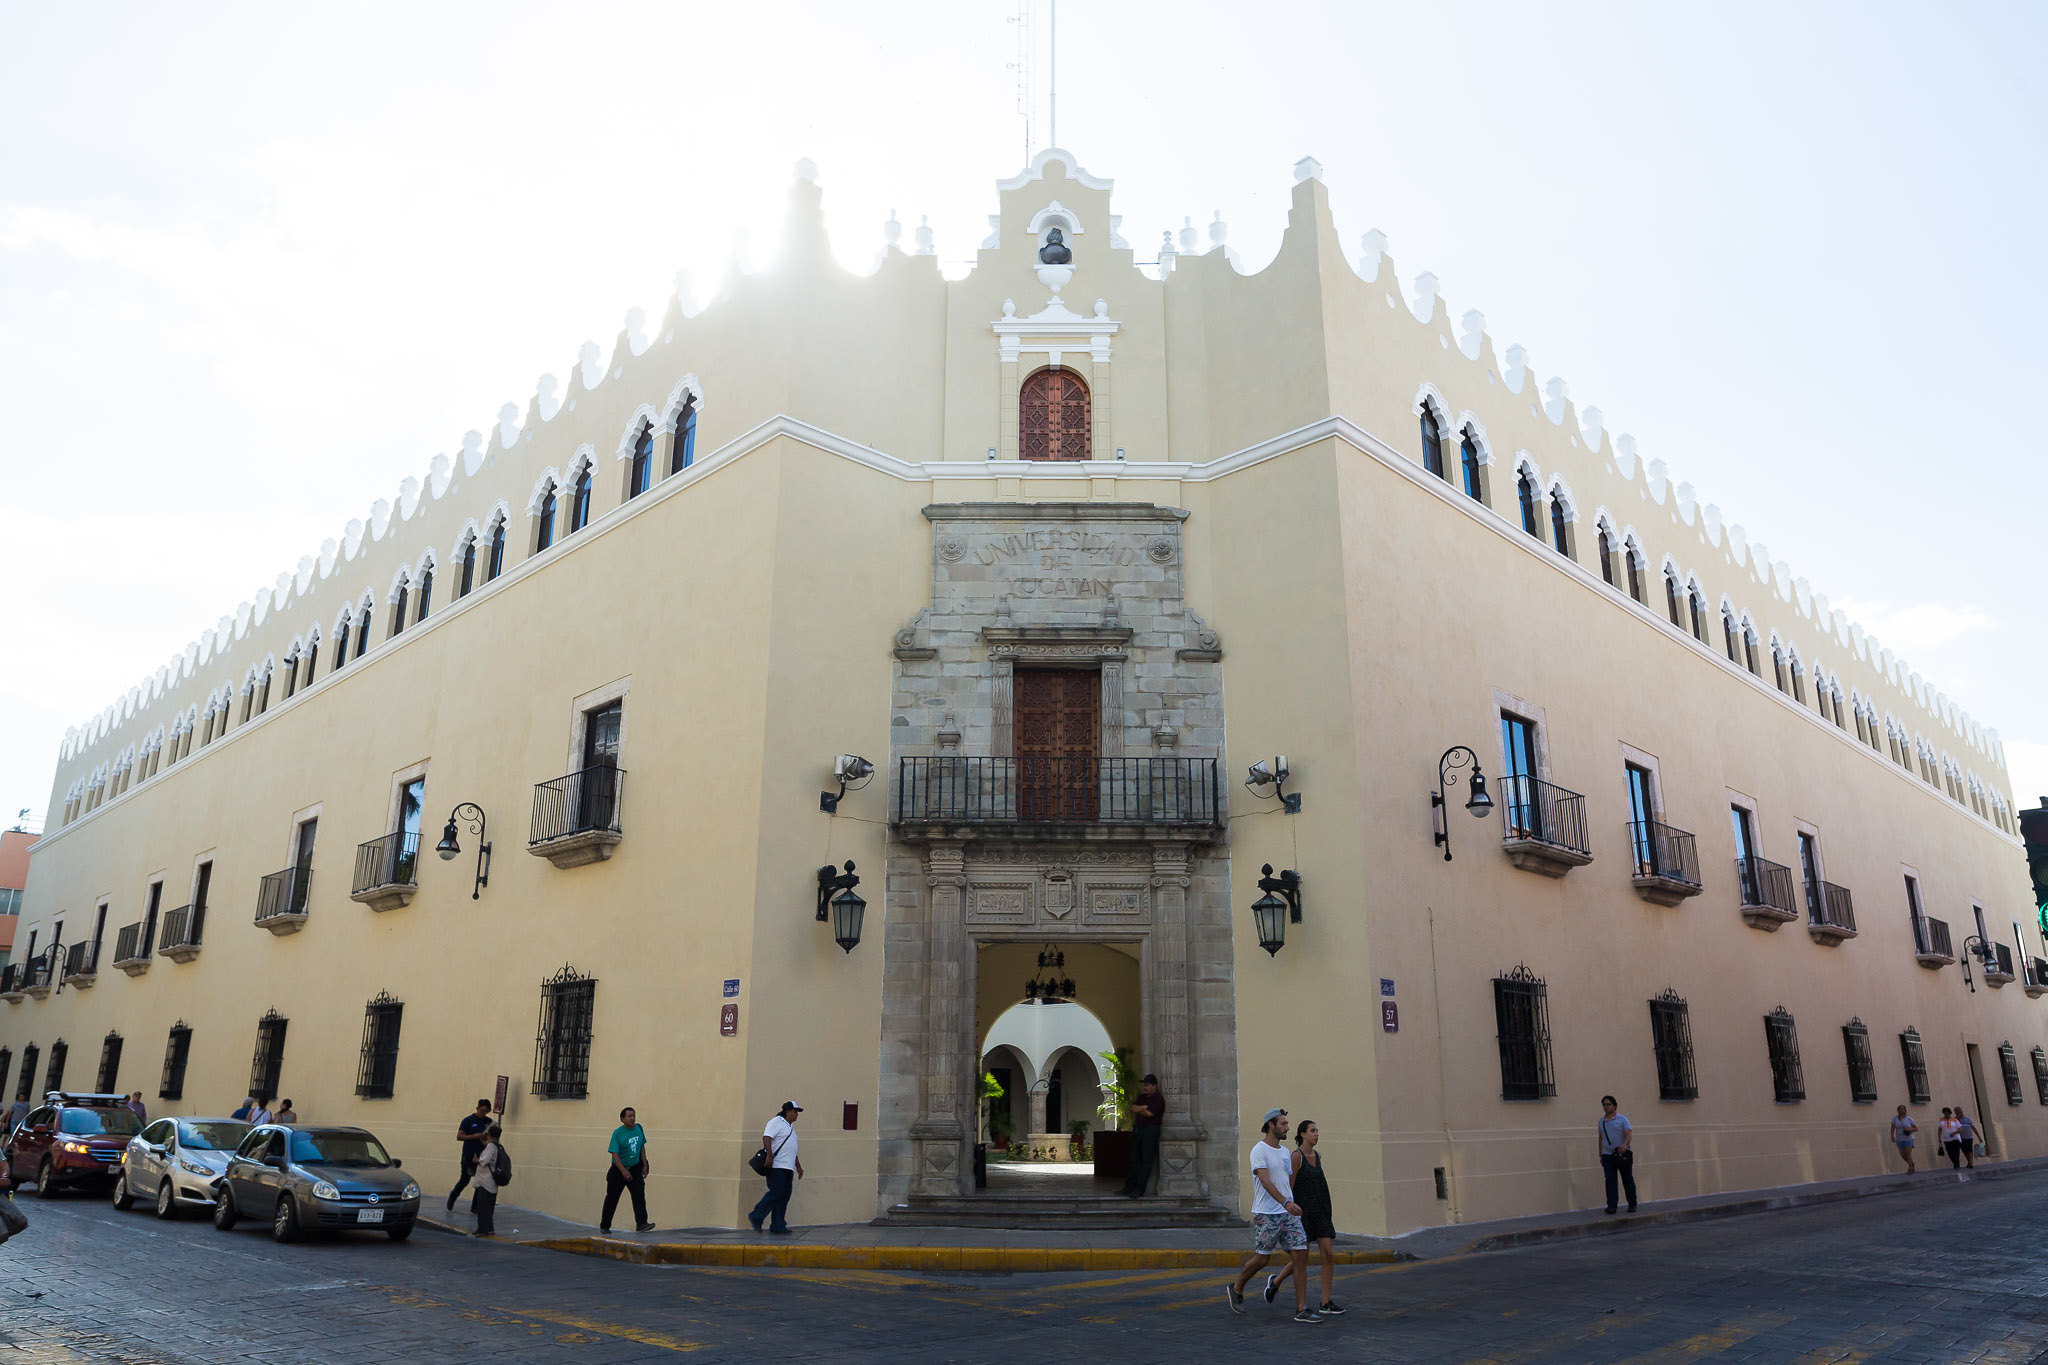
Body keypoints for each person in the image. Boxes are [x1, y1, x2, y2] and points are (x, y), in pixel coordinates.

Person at [1227, 1107, 1318, 1324]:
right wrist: (1286, 1203)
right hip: (1267, 1213)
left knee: (1301, 1255)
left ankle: (1301, 1309)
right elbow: (1266, 1181)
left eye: (1287, 1124)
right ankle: (1237, 1288)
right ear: (1271, 1125)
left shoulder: (1285, 1152)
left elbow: (1285, 1183)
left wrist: (1292, 1204)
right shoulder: (1259, 1150)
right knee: (1262, 1258)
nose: (1287, 1127)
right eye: (1283, 1124)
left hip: (1288, 1214)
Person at [1264, 1118, 1344, 1316]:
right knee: (1302, 1258)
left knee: (1328, 1255)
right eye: (1313, 1131)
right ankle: (1275, 1281)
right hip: (1303, 1214)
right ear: (1302, 1134)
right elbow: (1287, 1186)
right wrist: (1288, 1209)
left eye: (1317, 1130)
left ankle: (1325, 1302)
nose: (1316, 1134)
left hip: (1322, 1212)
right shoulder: (1296, 1157)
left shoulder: (1317, 1155)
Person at [749, 1101, 804, 1235]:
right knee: (776, 1192)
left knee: (784, 1196)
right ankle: (756, 1216)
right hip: (776, 1166)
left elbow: (791, 1147)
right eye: (795, 1111)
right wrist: (769, 1156)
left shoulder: (790, 1128)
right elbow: (767, 1137)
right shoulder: (776, 1122)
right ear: (787, 1112)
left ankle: (778, 1225)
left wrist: (798, 1165)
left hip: (788, 1167)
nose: (797, 1114)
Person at [601, 1106, 654, 1234]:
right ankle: (605, 1226)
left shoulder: (638, 1128)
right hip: (618, 1170)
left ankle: (641, 1223)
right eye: (629, 1116)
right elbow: (614, 1154)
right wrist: (623, 1171)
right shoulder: (617, 1133)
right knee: (612, 1198)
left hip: (635, 1167)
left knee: (639, 1195)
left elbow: (641, 1146)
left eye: (633, 1116)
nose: (632, 1118)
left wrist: (645, 1164)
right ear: (622, 1119)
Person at [1120, 1074, 1165, 1198]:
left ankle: (1139, 1190)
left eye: (1147, 1085)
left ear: (1154, 1086)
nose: (1145, 1087)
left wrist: (1141, 1109)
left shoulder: (1158, 1099)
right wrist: (1142, 1107)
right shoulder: (1142, 1098)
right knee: (1134, 1160)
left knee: (1146, 1162)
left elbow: (1149, 1113)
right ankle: (1128, 1188)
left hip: (1151, 1132)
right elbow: (1133, 1108)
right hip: (1139, 1130)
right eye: (1144, 1085)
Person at [448, 1100, 493, 1210]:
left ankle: (475, 1206)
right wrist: (475, 1136)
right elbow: (459, 1136)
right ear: (477, 1108)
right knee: (465, 1179)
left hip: (482, 1156)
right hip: (469, 1154)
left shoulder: (489, 1122)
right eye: (482, 1111)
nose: (484, 1113)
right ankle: (453, 1196)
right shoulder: (468, 1120)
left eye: (486, 1111)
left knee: (480, 1182)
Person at [1598, 1095, 1637, 1215]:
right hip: (1608, 1155)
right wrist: (1601, 1155)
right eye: (1604, 1104)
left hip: (1622, 1154)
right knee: (1610, 1180)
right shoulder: (1601, 1121)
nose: (1606, 1107)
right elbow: (1600, 1138)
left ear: (1614, 1106)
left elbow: (1628, 1134)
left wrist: (1624, 1145)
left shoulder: (1622, 1119)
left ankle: (1632, 1203)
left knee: (1627, 1179)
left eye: (1608, 1104)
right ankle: (1612, 1205)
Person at [471, 1123, 503, 1237]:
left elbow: (484, 1160)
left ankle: (483, 1230)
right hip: (492, 1182)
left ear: (490, 1135)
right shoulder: (498, 1146)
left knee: (483, 1207)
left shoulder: (491, 1147)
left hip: (485, 1181)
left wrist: (476, 1160)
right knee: (489, 1207)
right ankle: (489, 1228)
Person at [1891, 1106, 1918, 1173]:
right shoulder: (1895, 1119)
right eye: (1899, 1110)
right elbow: (1892, 1128)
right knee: (1903, 1155)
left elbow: (1916, 1128)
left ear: (1905, 1111)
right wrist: (1892, 1136)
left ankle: (1910, 1169)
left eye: (1902, 1110)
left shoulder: (1909, 1119)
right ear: (1897, 1111)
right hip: (1899, 1139)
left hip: (1908, 1139)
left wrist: (1909, 1129)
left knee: (1908, 1154)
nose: (1901, 1111)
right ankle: (1911, 1163)